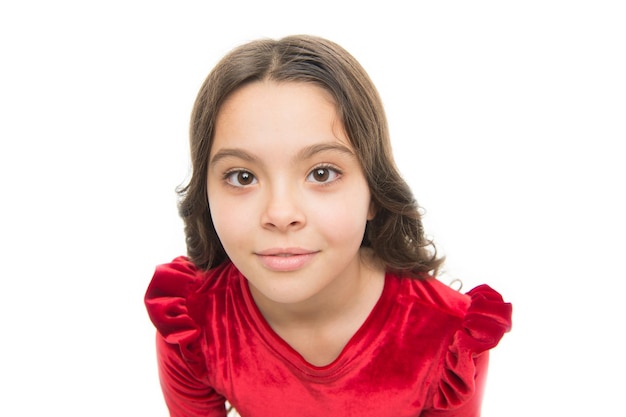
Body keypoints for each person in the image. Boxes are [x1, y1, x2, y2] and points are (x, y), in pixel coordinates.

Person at [145, 34, 512, 417]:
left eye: (322, 173)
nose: (280, 213)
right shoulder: (190, 325)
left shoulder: (448, 339)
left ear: (374, 191)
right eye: (242, 176)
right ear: (206, 195)